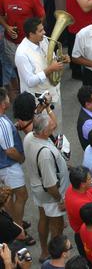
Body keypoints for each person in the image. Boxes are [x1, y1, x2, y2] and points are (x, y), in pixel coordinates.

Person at [24, 112, 68, 262]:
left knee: (43, 218)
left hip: (37, 188)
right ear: (43, 132)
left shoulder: (30, 137)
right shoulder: (45, 155)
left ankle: (44, 252)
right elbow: (50, 185)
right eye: (51, 126)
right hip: (50, 194)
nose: (54, 125)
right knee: (57, 224)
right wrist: (60, 200)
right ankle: (56, 256)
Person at [0, 0, 45, 98]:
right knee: (16, 67)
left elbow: (41, 17)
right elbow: (1, 15)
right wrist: (7, 27)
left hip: (29, 42)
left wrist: (32, 34)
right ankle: (21, 92)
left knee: (32, 67)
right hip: (11, 41)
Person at [14, 18, 65, 125]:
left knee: (57, 125)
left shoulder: (44, 40)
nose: (44, 32)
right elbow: (30, 81)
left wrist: (61, 59)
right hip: (40, 102)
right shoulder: (22, 53)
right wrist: (50, 69)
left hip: (54, 93)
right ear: (31, 34)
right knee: (45, 131)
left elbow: (52, 59)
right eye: (41, 31)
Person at [0, 87, 30, 246]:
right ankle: (19, 231)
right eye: (7, 98)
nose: (9, 99)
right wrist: (21, 158)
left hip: (4, 167)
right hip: (9, 166)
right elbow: (10, 151)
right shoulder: (2, 123)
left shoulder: (4, 120)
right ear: (3, 103)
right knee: (22, 195)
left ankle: (14, 223)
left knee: (8, 197)